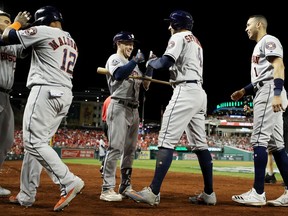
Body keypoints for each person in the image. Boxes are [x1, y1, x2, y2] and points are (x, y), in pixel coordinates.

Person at [125, 10, 217, 206]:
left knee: (166, 140)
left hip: (184, 91)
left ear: (176, 24)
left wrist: (151, 61)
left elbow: (166, 62)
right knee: (200, 145)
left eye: (170, 23)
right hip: (199, 93)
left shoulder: (178, 36)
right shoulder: (196, 41)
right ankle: (209, 193)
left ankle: (153, 192)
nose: (168, 27)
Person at [1, 6, 85, 211]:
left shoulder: (43, 30)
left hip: (45, 91)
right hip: (64, 95)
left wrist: (20, 24)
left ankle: (68, 181)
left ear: (44, 21)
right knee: (37, 146)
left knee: (31, 142)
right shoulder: (71, 41)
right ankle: (27, 195)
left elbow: (7, 35)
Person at [231, 14, 288, 206]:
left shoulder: (268, 40)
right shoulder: (259, 45)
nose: (246, 28)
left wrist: (277, 93)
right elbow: (261, 76)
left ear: (259, 24)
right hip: (264, 89)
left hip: (270, 91)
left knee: (258, 140)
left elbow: (278, 65)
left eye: (248, 25)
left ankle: (258, 192)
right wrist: (244, 90)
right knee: (276, 145)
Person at [100, 31, 151, 202]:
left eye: (132, 44)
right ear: (118, 44)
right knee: (115, 147)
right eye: (127, 43)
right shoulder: (114, 59)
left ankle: (125, 185)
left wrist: (150, 65)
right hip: (119, 105)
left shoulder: (133, 65)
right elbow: (119, 74)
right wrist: (136, 60)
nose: (131, 46)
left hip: (134, 110)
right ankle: (107, 188)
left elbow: (146, 85)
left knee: (129, 150)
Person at [0, 10, 30, 197]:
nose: (9, 22)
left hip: (5, 95)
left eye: (10, 20)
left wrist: (28, 31)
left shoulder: (11, 43)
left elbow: (27, 49)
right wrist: (17, 25)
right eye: (4, 20)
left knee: (5, 141)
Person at [99, 95, 111, 177]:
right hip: (110, 123)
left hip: (105, 123)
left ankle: (104, 167)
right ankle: (104, 169)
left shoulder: (107, 99)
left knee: (112, 147)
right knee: (114, 148)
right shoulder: (116, 98)